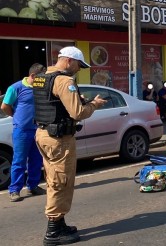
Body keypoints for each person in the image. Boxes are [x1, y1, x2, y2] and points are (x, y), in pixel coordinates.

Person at [33, 46, 107, 245]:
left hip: (43, 134)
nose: (79, 70)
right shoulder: (65, 81)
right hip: (59, 139)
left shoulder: (42, 77)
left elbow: (53, 103)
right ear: (68, 61)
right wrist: (94, 105)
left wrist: (81, 100)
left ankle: (60, 223)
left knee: (53, 179)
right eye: (79, 65)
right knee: (61, 182)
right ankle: (53, 231)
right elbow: (77, 113)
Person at [1, 63, 47, 202]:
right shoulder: (15, 88)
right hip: (22, 130)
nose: (43, 80)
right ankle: (14, 190)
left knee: (36, 159)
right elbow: (4, 106)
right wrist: (17, 117)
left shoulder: (40, 88)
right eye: (41, 77)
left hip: (37, 129)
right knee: (19, 160)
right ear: (33, 76)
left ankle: (33, 186)